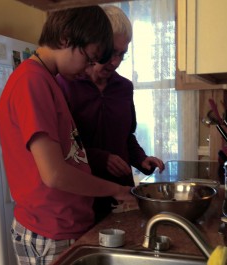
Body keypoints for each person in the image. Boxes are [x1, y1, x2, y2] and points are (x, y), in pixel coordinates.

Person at [0, 6, 137, 265]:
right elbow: (55, 174)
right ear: (65, 39)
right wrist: (117, 190)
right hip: (50, 231)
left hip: (64, 225)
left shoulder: (46, 80)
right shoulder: (31, 81)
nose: (88, 69)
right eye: (89, 58)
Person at [57, 5, 165, 223]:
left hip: (123, 198)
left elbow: (126, 135)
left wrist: (141, 159)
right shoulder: (64, 85)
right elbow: (60, 149)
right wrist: (100, 158)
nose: (115, 62)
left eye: (122, 54)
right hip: (83, 199)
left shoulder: (124, 87)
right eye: (111, 52)